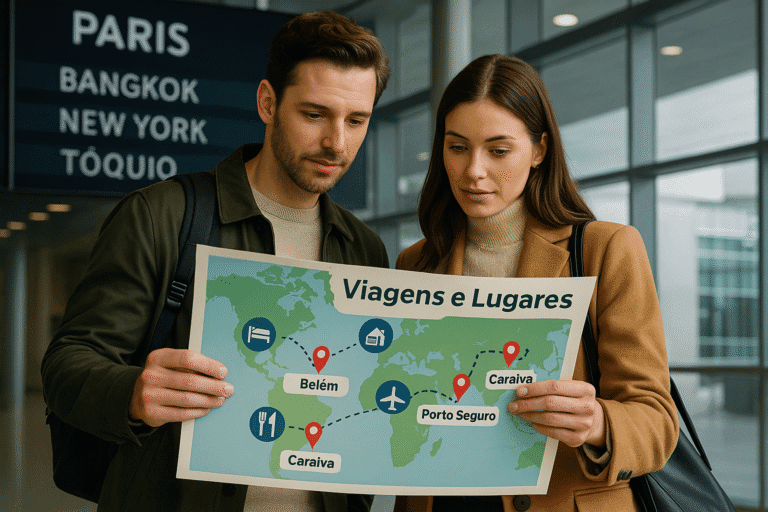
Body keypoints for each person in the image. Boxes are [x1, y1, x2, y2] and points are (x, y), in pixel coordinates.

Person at [42, 11, 389, 512]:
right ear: (268, 102)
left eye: (356, 120)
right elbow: (66, 363)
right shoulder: (163, 215)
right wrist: (133, 393)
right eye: (314, 115)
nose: (337, 142)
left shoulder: (363, 248)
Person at [393, 54, 678, 512]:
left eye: (499, 150)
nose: (474, 172)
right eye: (457, 147)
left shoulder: (606, 250)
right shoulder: (416, 263)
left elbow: (657, 421)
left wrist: (598, 423)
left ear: (539, 150)